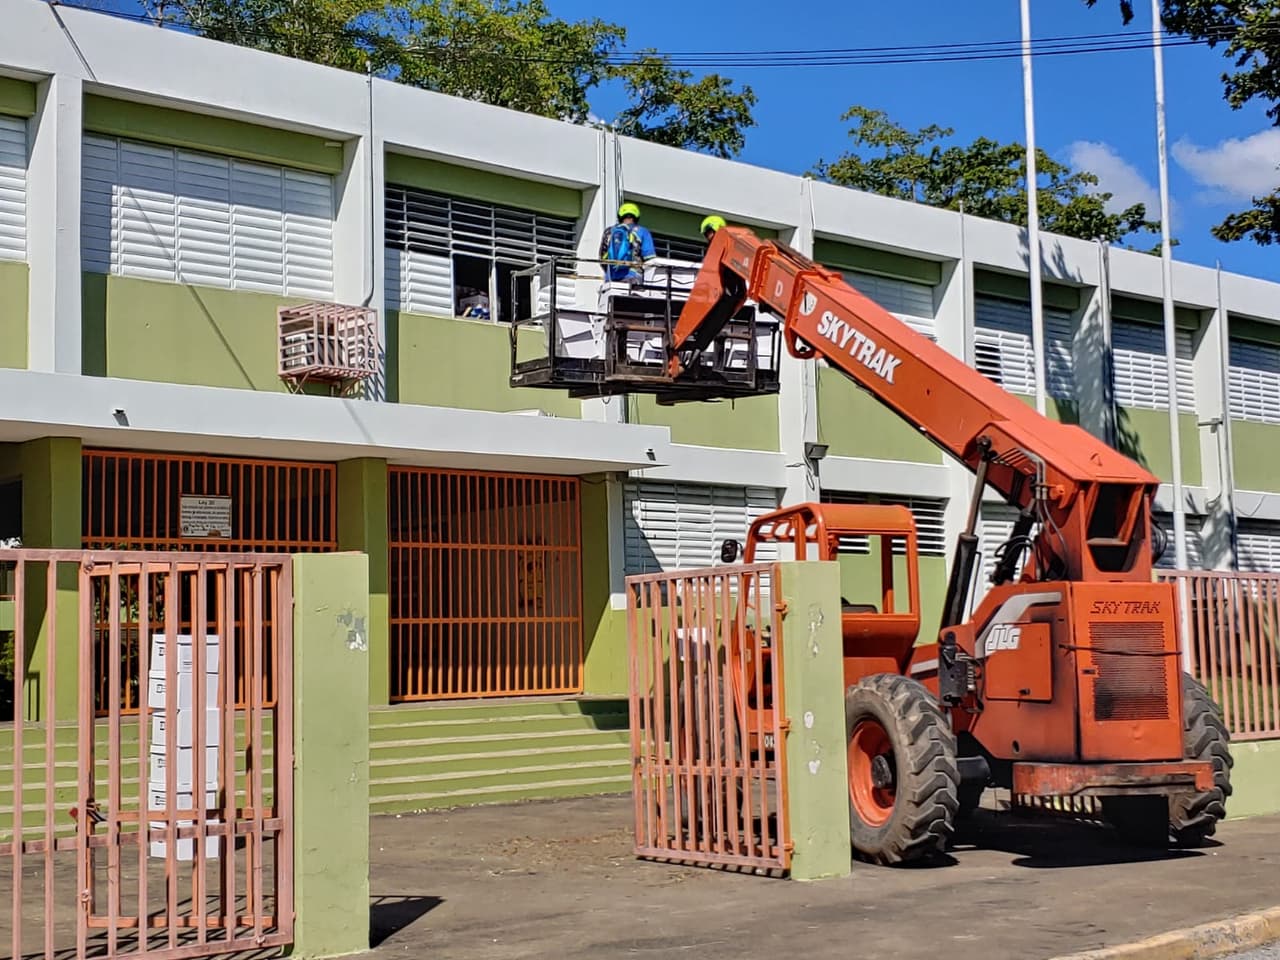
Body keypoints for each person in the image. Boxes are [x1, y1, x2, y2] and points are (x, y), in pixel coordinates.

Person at [600, 202, 655, 283]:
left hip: (610, 277)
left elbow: (602, 257)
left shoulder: (609, 231)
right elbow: (650, 258)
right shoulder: (642, 231)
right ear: (636, 216)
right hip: (632, 275)